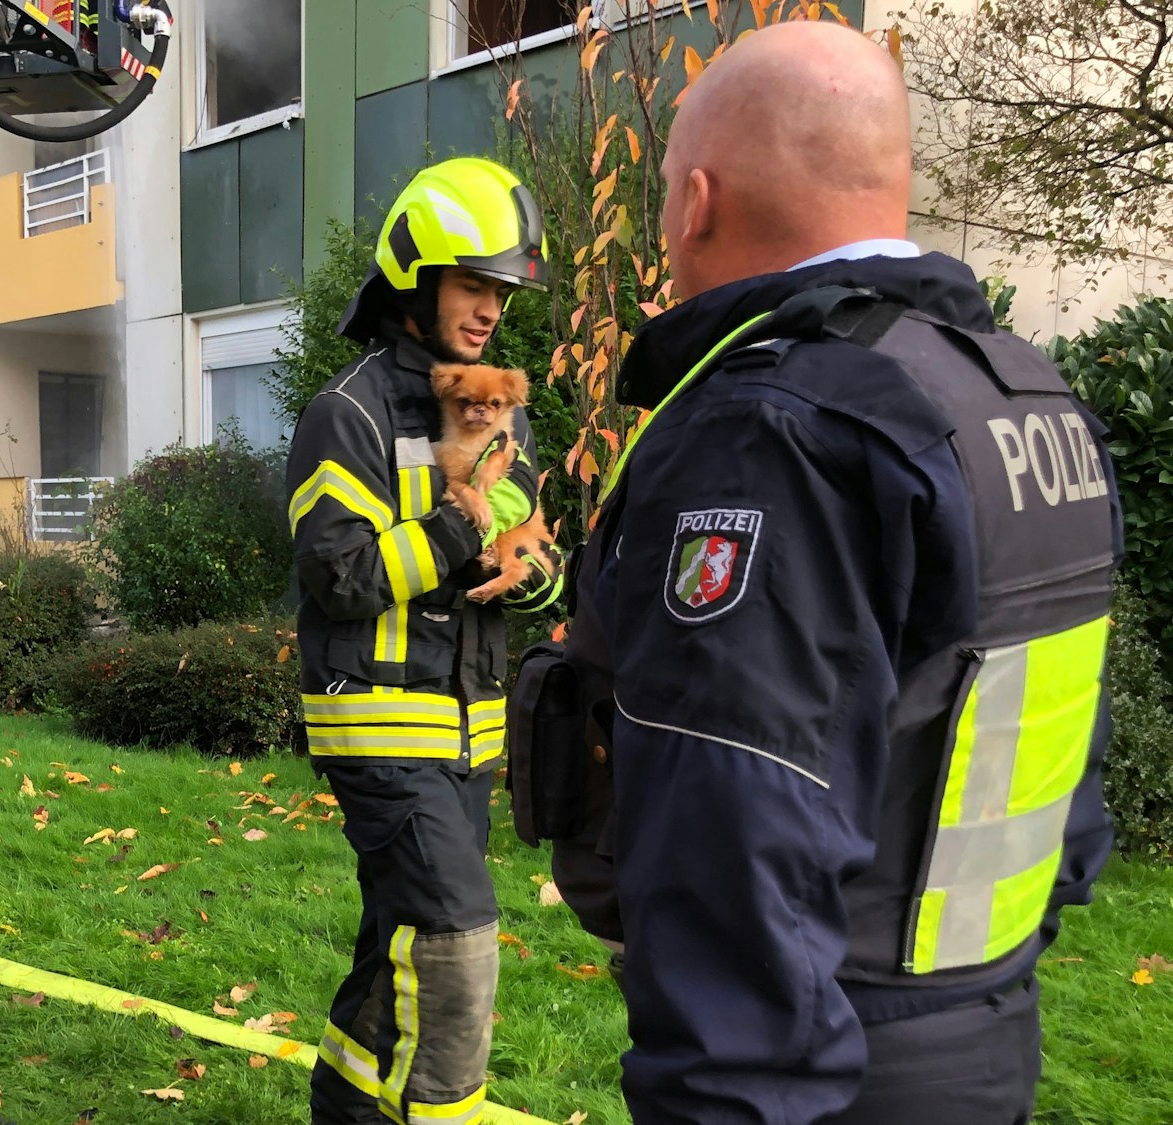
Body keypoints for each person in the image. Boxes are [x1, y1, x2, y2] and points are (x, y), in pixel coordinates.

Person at [511, 21, 1119, 1125]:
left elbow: (731, 824)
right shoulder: (1022, 400)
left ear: (694, 200)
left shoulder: (773, 429)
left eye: (659, 195)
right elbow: (1062, 762)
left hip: (813, 1067)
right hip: (984, 1030)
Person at [291, 156, 564, 1124]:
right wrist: (454, 532)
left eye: (499, 290)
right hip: (380, 732)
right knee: (454, 946)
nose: (489, 308)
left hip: (465, 739)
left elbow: (534, 538)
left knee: (392, 943)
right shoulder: (348, 412)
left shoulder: (499, 408)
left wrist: (529, 568)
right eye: (471, 284)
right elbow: (334, 575)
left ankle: (348, 1104)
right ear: (414, 278)